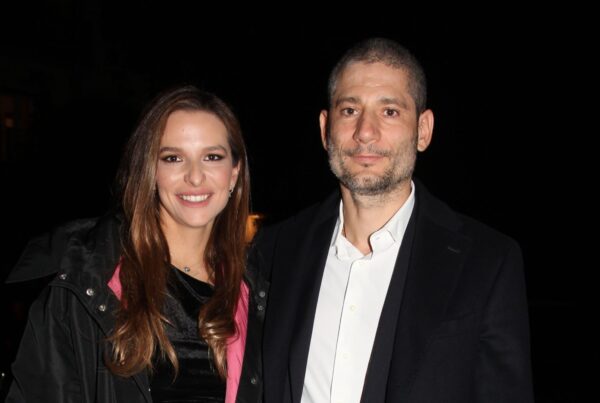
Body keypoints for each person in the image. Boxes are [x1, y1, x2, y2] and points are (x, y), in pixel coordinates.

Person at [256, 37, 534, 402]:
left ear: (423, 130)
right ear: (325, 129)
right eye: (349, 110)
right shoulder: (276, 250)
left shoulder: (487, 262)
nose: (365, 132)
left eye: (389, 112)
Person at [4, 86, 266, 402]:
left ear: (234, 173)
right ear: (150, 171)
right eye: (173, 158)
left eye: (212, 157)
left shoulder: (258, 290)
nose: (195, 177)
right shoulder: (85, 281)